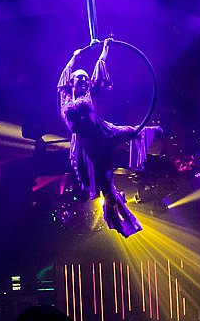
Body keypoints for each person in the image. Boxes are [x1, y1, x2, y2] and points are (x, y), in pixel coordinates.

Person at [58, 38, 161, 238]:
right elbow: (62, 79)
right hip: (88, 146)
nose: (85, 81)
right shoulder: (66, 97)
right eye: (80, 78)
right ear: (72, 82)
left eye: (86, 79)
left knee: (131, 131)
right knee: (106, 187)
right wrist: (74, 58)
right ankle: (122, 222)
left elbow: (98, 74)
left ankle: (152, 131)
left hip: (103, 133)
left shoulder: (89, 94)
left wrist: (105, 49)